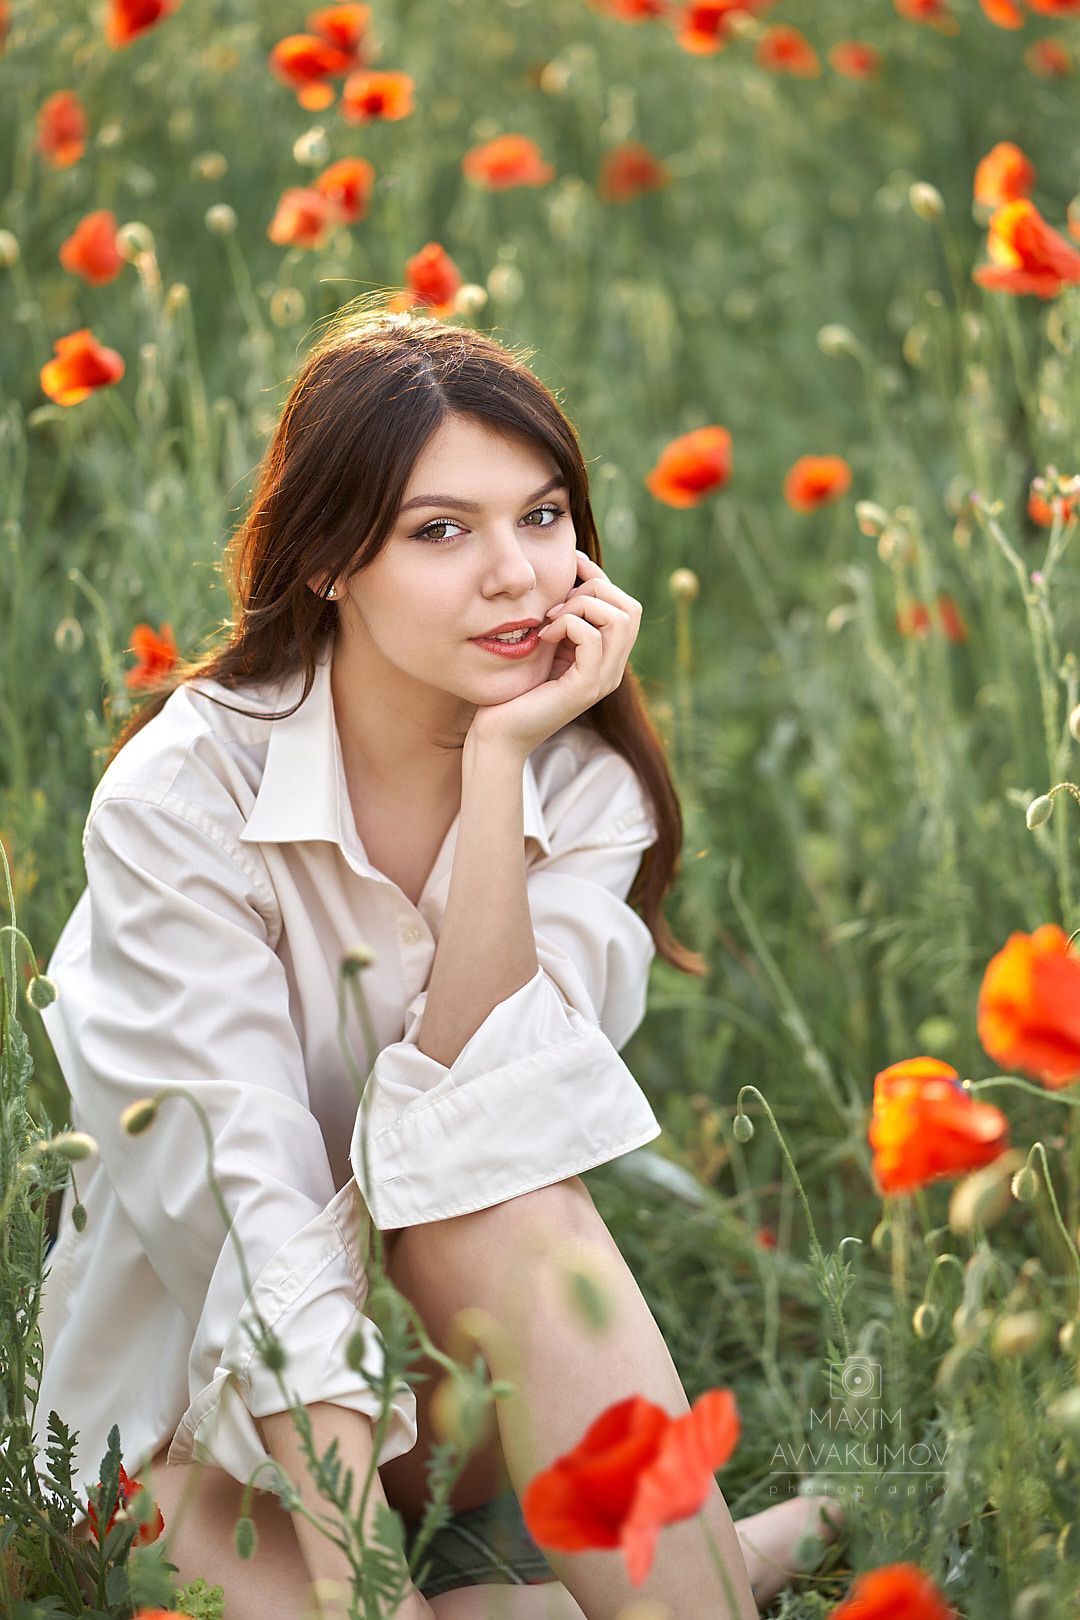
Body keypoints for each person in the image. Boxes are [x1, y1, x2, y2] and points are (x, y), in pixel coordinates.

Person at [35, 310, 842, 1619]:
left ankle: (690, 1590)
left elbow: (490, 1133)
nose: (519, 577)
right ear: (330, 561)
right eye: (441, 530)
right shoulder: (183, 797)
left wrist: (496, 767)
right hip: (188, 1425)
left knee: (506, 1185)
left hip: (451, 1408)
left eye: (542, 516)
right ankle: (715, 1567)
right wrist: (372, 1599)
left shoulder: (582, 789)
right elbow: (254, 1213)